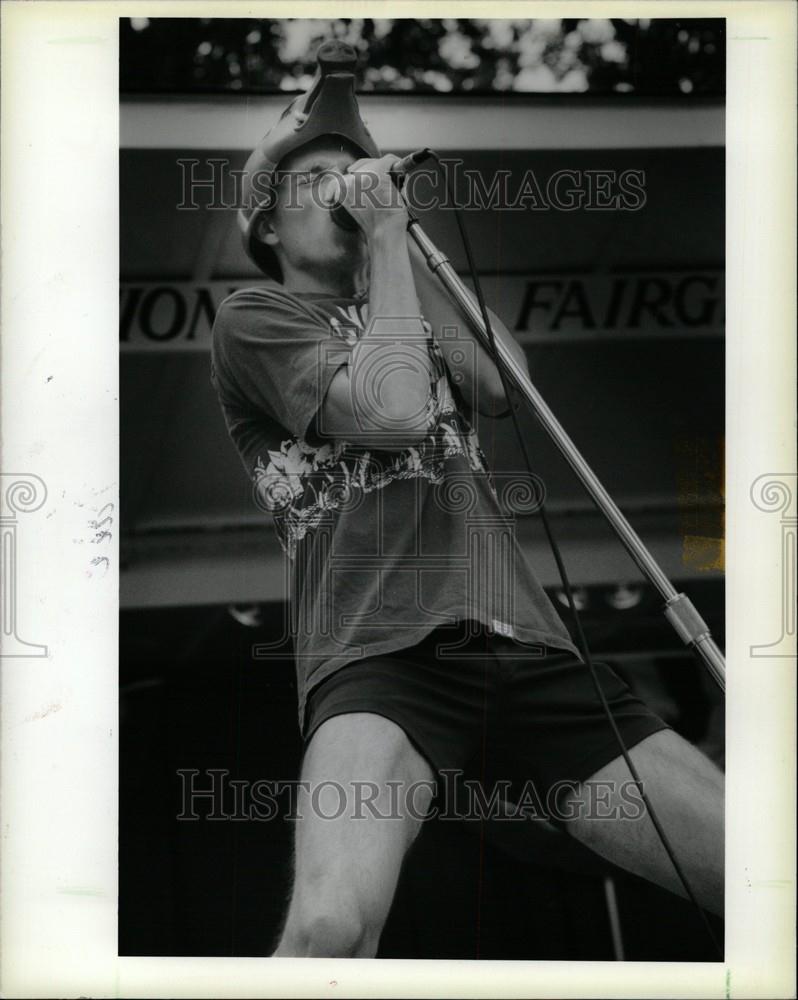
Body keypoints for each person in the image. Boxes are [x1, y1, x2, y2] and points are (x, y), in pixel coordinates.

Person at [210, 42, 723, 958]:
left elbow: (503, 390)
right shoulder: (257, 318)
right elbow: (396, 409)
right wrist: (377, 242)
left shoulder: (406, 288)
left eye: (354, 172)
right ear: (268, 231)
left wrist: (398, 241)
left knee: (757, 863)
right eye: (315, 179)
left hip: (526, 644)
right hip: (379, 655)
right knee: (332, 927)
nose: (344, 186)